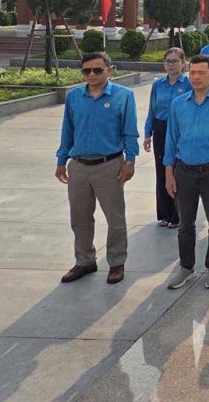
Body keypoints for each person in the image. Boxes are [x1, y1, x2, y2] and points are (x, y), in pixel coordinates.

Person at [55, 52, 139, 285]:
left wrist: (130, 161)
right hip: (79, 166)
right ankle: (84, 261)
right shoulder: (74, 97)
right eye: (86, 71)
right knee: (79, 218)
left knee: (115, 217)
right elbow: (67, 131)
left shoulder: (123, 96)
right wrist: (61, 160)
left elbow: (130, 132)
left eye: (97, 70)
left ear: (109, 70)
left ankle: (116, 262)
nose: (91, 75)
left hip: (109, 166)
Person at [164, 55, 209, 291]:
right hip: (184, 170)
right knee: (185, 223)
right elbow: (170, 140)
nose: (195, 77)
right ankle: (186, 266)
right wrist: (169, 172)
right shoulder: (178, 104)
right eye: (192, 73)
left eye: (201, 73)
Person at [144, 47, 190, 229]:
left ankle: (178, 214)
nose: (171, 65)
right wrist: (148, 133)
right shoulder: (158, 85)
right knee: (162, 170)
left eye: (175, 61)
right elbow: (152, 110)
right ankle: (164, 212)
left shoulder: (187, 84)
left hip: (180, 131)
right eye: (168, 61)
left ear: (183, 64)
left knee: (178, 171)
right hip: (161, 129)